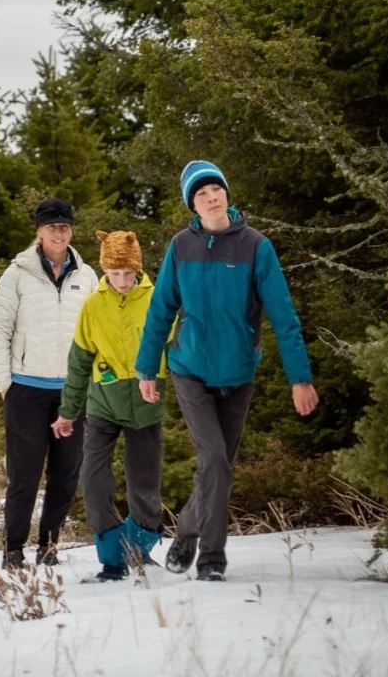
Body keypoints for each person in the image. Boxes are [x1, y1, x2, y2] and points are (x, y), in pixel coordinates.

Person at [135, 160, 319, 582]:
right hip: (190, 369)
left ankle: (186, 531)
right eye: (201, 193)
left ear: (226, 194)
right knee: (215, 458)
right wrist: (148, 368)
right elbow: (161, 309)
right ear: (192, 204)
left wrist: (300, 378)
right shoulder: (181, 246)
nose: (211, 196)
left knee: (220, 467)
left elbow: (283, 314)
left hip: (238, 374)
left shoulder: (256, 246)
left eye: (215, 188)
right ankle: (212, 559)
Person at [0, 197, 97, 569]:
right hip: (26, 390)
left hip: (72, 391)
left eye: (65, 226)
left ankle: (48, 547)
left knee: (65, 476)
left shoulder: (87, 276)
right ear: (39, 231)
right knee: (24, 476)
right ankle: (13, 549)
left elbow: (96, 332)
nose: (59, 232)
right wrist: (4, 382)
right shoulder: (17, 274)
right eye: (52, 226)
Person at [52, 230, 166, 582]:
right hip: (102, 402)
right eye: (114, 274)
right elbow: (79, 362)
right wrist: (68, 411)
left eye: (127, 274)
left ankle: (140, 547)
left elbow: (180, 347)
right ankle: (112, 558)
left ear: (138, 270)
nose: (121, 281)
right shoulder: (93, 305)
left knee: (143, 482)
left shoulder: (159, 300)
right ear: (105, 271)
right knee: (92, 478)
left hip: (147, 403)